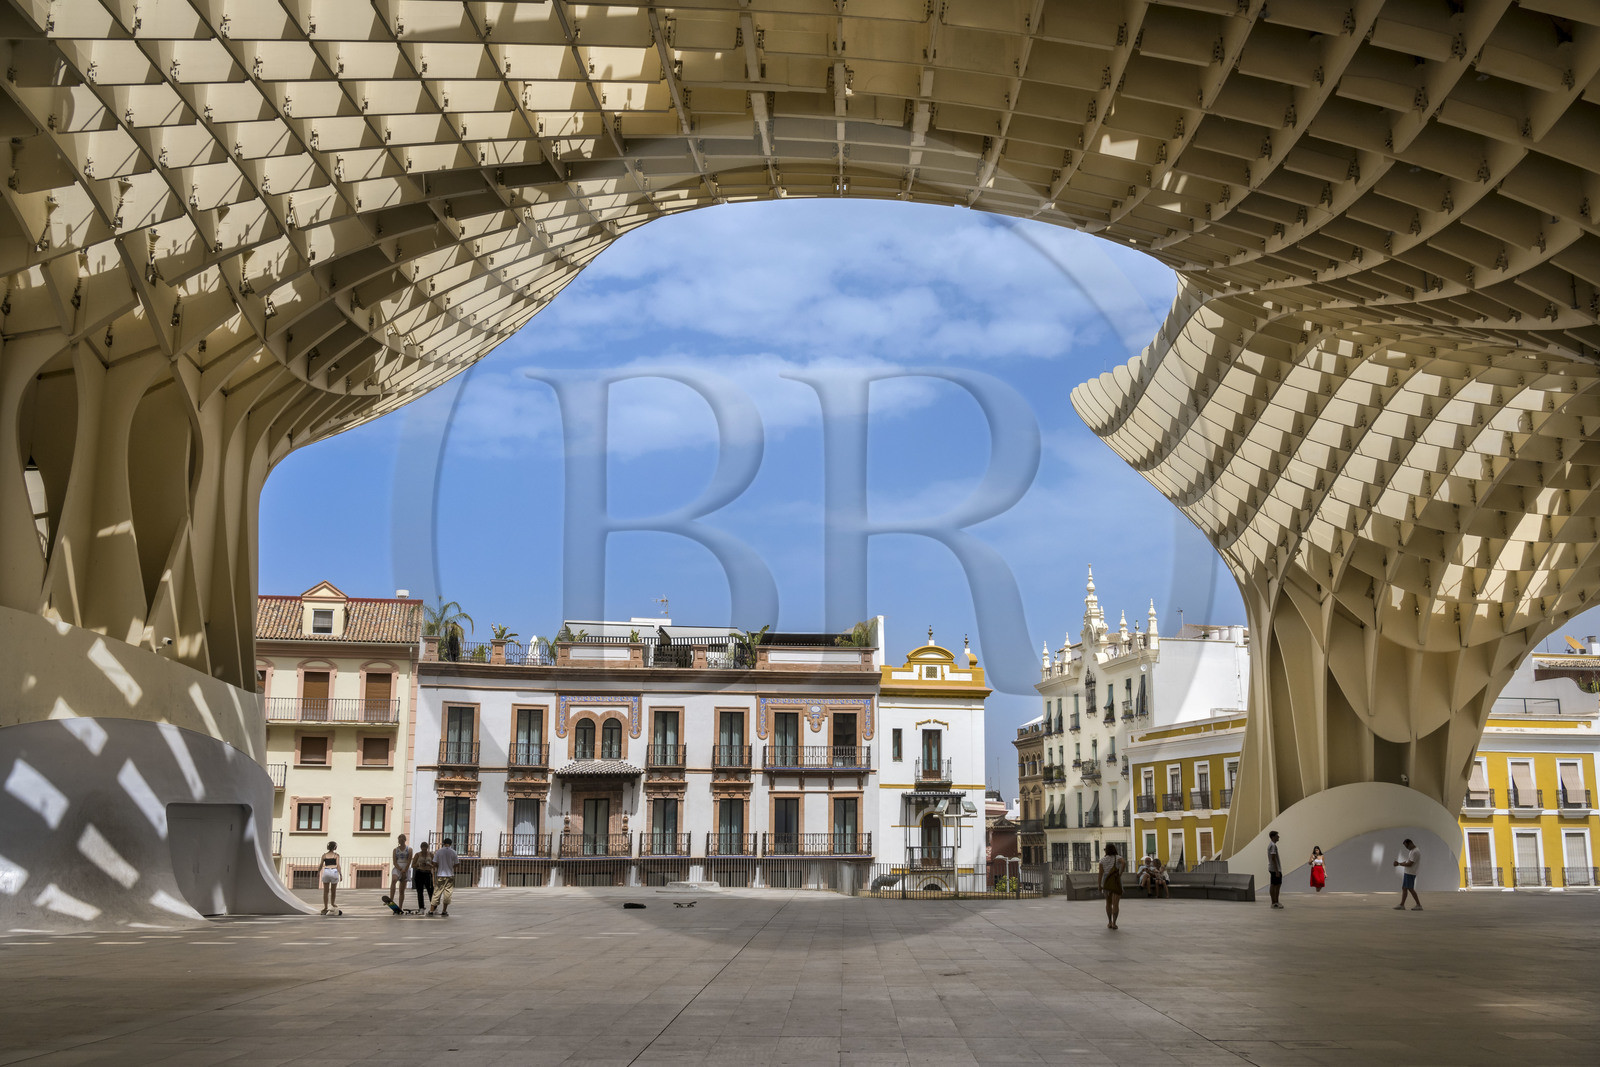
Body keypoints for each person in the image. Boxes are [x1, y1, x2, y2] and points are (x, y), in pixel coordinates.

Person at [430, 837, 459, 917]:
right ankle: (444, 911)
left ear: (443, 843)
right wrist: (451, 867)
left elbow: (434, 862)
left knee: (437, 892)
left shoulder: (439, 852)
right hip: (450, 875)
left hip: (440, 875)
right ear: (451, 844)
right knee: (447, 893)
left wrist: (438, 867)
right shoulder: (453, 852)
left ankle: (431, 910)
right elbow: (457, 864)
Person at [1098, 843, 1125, 930]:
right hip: (1116, 880)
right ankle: (1114, 923)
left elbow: (1100, 874)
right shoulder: (1117, 857)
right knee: (1116, 904)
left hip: (1106, 881)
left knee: (1108, 903)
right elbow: (1124, 862)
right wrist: (1120, 873)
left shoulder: (1102, 860)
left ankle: (1109, 922)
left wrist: (1099, 885)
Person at [1393, 838, 1422, 910]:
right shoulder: (1412, 851)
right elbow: (1407, 861)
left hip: (1410, 873)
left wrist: (1399, 864)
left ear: (1410, 843)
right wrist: (1399, 864)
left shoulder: (1415, 852)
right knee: (1404, 888)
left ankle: (1418, 905)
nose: (1406, 848)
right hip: (1408, 872)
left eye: (1407, 846)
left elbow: (1410, 864)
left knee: (1410, 889)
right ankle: (1402, 905)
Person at [411, 840, 436, 913]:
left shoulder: (431, 855)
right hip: (419, 873)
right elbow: (413, 865)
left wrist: (430, 865)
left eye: (425, 849)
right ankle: (421, 907)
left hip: (428, 873)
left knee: (431, 891)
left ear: (427, 848)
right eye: (423, 849)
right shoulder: (417, 855)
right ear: (421, 848)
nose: (424, 850)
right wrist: (419, 864)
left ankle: (433, 907)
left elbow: (434, 865)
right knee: (420, 891)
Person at [389, 833, 413, 907]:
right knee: (394, 879)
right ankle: (391, 899)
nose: (400, 840)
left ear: (405, 840)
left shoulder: (409, 849)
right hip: (398, 867)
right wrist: (399, 869)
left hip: (405, 867)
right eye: (399, 838)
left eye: (402, 838)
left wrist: (404, 870)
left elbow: (409, 861)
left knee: (402, 890)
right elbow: (394, 861)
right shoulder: (395, 850)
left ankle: (400, 906)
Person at [319, 841, 342, 916]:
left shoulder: (324, 855)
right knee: (333, 890)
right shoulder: (336, 855)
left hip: (326, 871)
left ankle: (325, 907)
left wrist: (318, 872)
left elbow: (321, 865)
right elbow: (338, 865)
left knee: (325, 891)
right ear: (335, 847)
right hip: (334, 871)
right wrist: (340, 874)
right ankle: (332, 903)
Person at [1267, 830, 1283, 908]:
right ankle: (1275, 902)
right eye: (1277, 836)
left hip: (1272, 868)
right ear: (1273, 837)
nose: (1278, 837)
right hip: (1274, 869)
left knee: (1275, 885)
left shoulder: (1271, 845)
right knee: (1276, 885)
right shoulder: (1273, 845)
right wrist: (1277, 871)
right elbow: (1273, 858)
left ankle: (1275, 902)